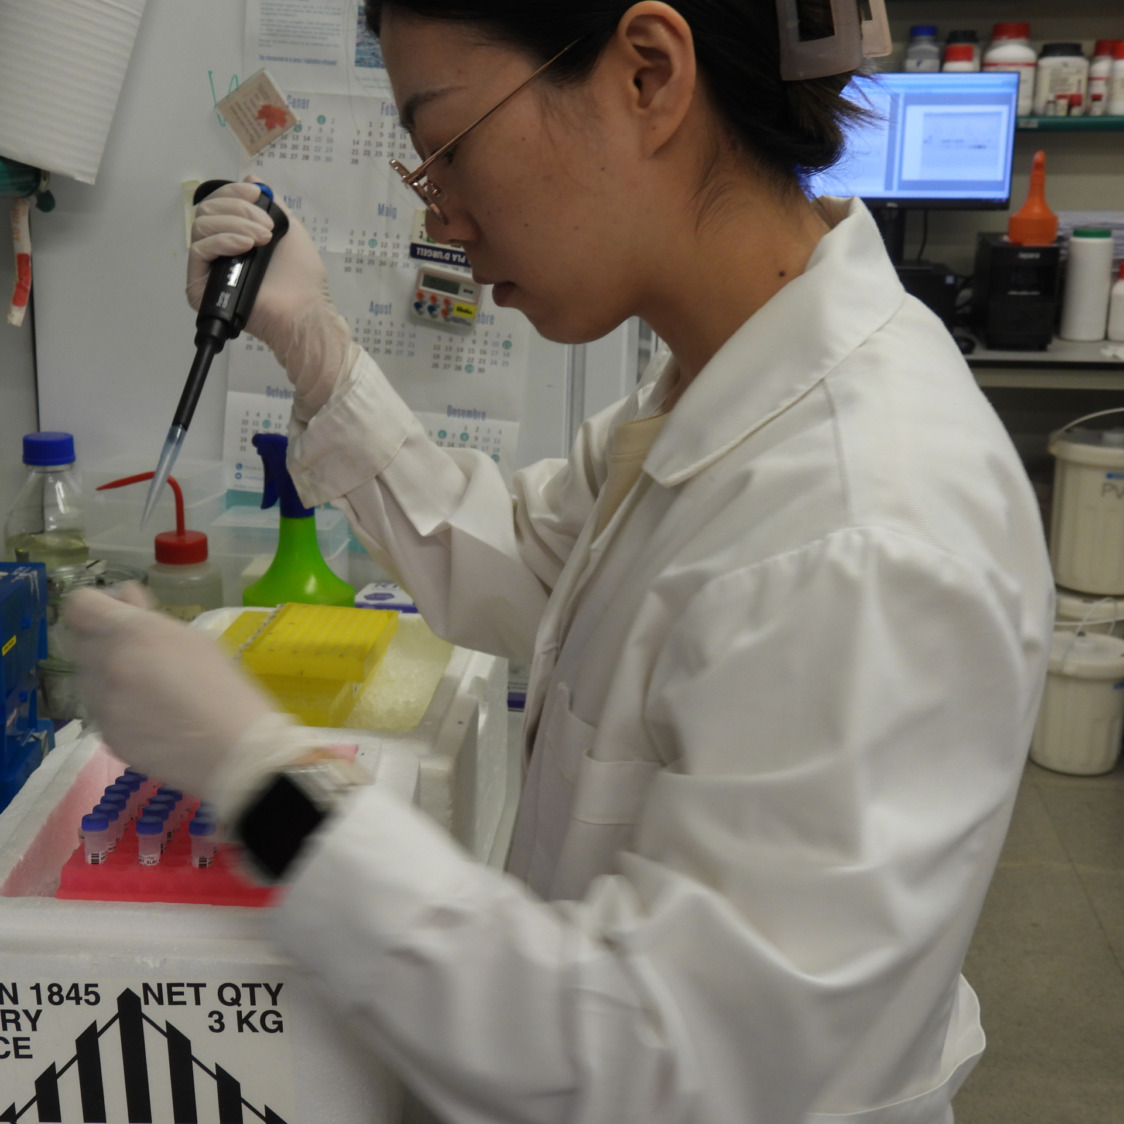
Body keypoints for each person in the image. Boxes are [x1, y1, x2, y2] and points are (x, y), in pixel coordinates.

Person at [65, 2, 1054, 1121]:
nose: (440, 214)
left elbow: (671, 1064)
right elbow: (533, 563)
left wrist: (262, 780)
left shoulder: (859, 525)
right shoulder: (718, 381)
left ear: (646, 76)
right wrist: (312, 340)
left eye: (446, 145)